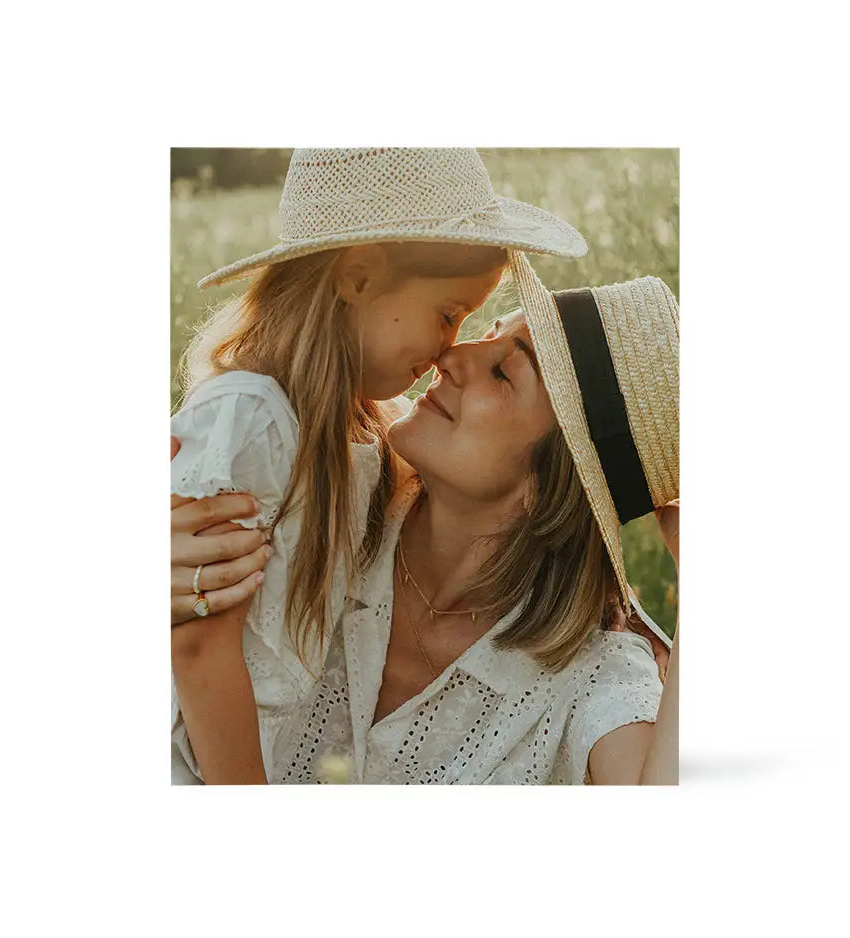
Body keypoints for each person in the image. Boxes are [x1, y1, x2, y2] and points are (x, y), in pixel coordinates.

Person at [170, 148, 589, 784]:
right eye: (448, 315)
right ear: (359, 278)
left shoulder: (361, 430)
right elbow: (197, 641)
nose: (451, 347)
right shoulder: (252, 417)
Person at [171, 268, 680, 784]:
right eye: (484, 336)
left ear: (549, 487)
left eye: (503, 372)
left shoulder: (595, 671)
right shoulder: (318, 484)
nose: (452, 358)